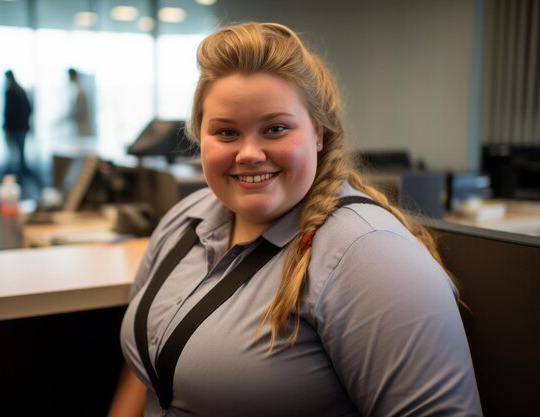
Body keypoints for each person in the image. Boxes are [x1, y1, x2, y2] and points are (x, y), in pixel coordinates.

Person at [108, 22, 483, 417]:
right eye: (226, 132)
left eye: (275, 128)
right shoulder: (185, 219)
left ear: (318, 134)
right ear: (200, 136)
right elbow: (144, 368)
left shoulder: (370, 256)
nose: (249, 153)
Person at [2, 70, 42, 193]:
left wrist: (7, 127)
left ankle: (22, 184)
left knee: (17, 159)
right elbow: (30, 109)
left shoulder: (11, 92)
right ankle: (29, 183)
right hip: (22, 129)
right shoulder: (21, 91)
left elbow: (7, 112)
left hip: (15, 129)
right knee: (20, 158)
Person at [67, 68, 92, 137]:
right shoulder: (77, 88)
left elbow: (80, 111)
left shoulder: (80, 90)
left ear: (73, 76)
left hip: (82, 126)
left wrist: (69, 117)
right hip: (80, 126)